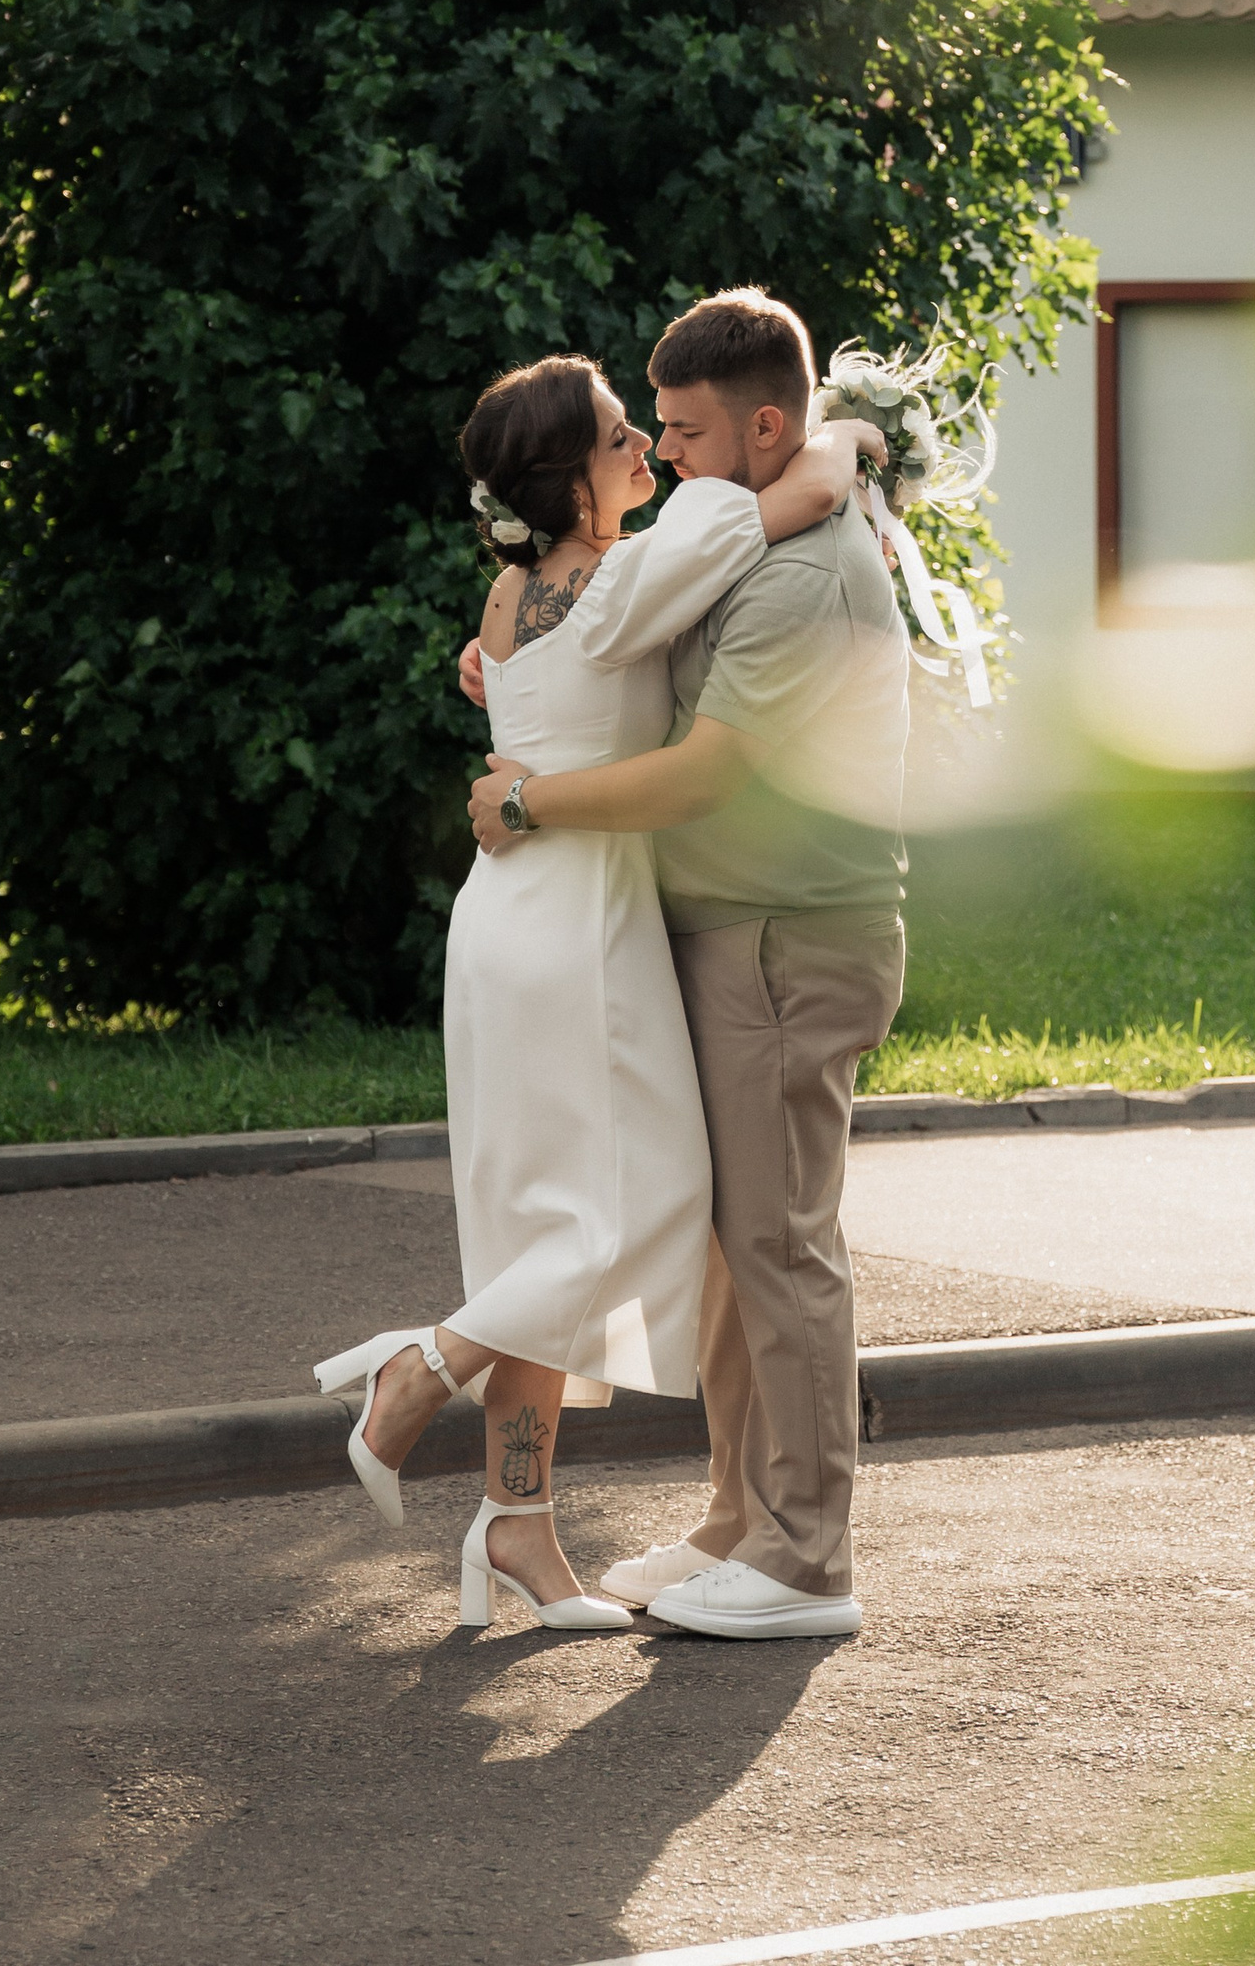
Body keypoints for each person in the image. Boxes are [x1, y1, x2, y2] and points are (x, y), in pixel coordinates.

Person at [314, 351, 881, 1634]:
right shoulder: (624, 578)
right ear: (571, 480)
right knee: (651, 1205)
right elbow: (767, 505)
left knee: (537, 1221)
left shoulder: (509, 601)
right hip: (580, 923)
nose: (649, 454)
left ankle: (517, 1526)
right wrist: (845, 443)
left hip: (500, 918)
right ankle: (426, 1364)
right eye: (627, 439)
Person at [466, 287, 912, 1642]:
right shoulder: (743, 524)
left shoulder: (797, 570)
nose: (659, 454)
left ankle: (809, 1559)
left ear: (768, 425)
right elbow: (606, 632)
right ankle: (740, 1520)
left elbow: (706, 772)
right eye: (643, 429)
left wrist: (531, 802)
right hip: (724, 933)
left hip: (788, 935)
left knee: (778, 1248)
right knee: (731, 1250)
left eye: (682, 429)